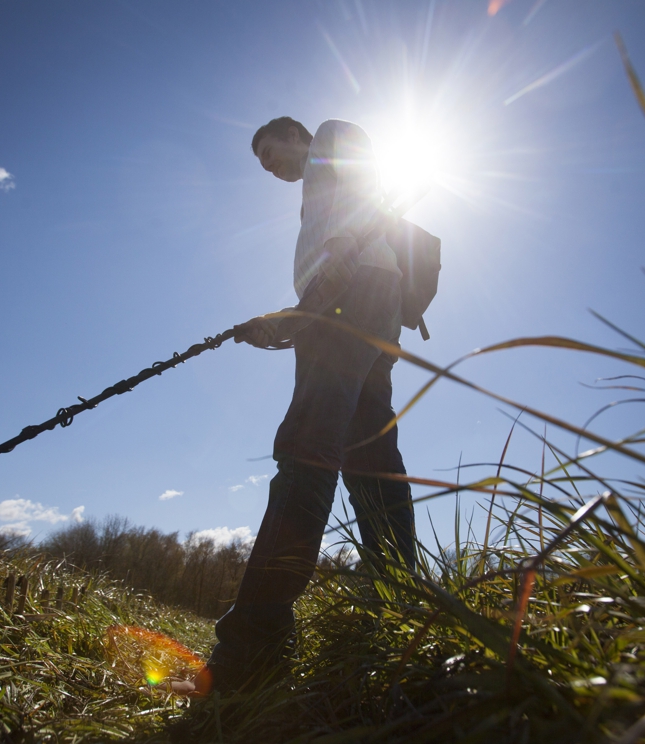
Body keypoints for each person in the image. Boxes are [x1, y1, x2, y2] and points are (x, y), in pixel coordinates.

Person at [204, 116, 416, 693]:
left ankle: (253, 651)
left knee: (307, 449)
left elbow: (356, 211)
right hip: (370, 304)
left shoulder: (331, 135)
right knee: (369, 458)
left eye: (271, 154)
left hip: (352, 297)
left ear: (295, 135)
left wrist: (317, 298)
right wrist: (290, 321)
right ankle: (401, 604)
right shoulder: (315, 188)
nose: (270, 168)